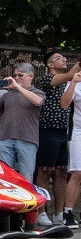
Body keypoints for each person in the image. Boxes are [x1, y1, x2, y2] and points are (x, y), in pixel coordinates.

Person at [35, 52, 81, 226]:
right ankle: (41, 211)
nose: (64, 60)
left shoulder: (70, 81)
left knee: (62, 171)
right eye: (59, 58)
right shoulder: (48, 79)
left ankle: (59, 212)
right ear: (50, 64)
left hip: (65, 130)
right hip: (48, 129)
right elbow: (70, 75)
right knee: (45, 170)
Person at [0, 63, 44, 183]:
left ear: (31, 76)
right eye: (15, 75)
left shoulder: (37, 92)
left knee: (26, 179)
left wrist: (17, 87)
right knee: (4, 179)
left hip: (27, 140)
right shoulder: (8, 94)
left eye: (20, 75)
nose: (16, 78)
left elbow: (37, 101)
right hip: (5, 139)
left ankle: (26, 201)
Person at [59, 70, 81, 228]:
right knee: (77, 172)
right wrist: (73, 82)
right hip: (78, 132)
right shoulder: (75, 82)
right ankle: (67, 213)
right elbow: (64, 104)